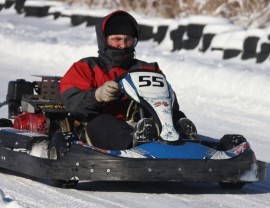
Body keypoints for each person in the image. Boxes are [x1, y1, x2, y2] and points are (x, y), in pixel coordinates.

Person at [59, 10, 195, 150]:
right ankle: (138, 148)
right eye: (117, 39)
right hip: (102, 127)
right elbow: (72, 103)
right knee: (104, 123)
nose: (123, 45)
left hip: (147, 124)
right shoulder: (86, 67)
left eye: (128, 40)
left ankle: (190, 144)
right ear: (104, 40)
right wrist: (97, 96)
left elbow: (171, 102)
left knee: (174, 116)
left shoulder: (148, 68)